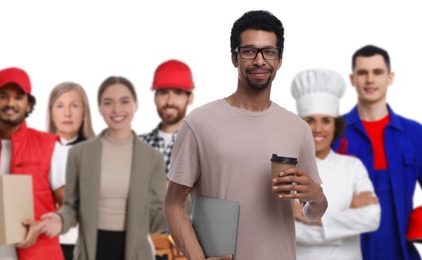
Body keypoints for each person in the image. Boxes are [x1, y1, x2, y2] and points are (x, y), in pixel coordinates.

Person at [164, 10, 328, 260]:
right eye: (250, 51)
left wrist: (316, 196)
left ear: (280, 60)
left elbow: (313, 213)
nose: (260, 61)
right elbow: (173, 204)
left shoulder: (297, 128)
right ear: (234, 57)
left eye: (269, 52)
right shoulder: (199, 123)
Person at [40, 76, 167, 259]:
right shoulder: (80, 154)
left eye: (124, 101)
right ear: (99, 108)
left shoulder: (152, 158)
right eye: (108, 103)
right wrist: (60, 219)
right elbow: (72, 207)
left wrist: (184, 205)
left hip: (135, 253)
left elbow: (154, 219)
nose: (117, 109)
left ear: (135, 105)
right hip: (92, 251)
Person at [333, 44, 422, 259]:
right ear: (353, 79)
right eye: (362, 73)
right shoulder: (333, 133)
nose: (370, 80)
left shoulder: (415, 134)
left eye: (377, 72)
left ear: (390, 77)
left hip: (401, 252)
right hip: (348, 251)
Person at [0, 67, 65, 260]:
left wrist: (41, 226)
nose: (10, 103)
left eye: (18, 97)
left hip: (40, 255)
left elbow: (71, 205)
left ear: (29, 105)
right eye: (3, 96)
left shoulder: (50, 147)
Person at [291, 68, 381, 259]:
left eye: (326, 121)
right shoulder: (289, 169)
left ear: (335, 125)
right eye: (309, 120)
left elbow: (372, 218)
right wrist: (349, 215)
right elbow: (290, 230)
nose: (317, 129)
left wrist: (311, 219)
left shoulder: (353, 166)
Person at [46, 82, 96, 260]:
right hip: (49, 242)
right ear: (51, 112)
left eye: (74, 105)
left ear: (84, 112)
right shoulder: (38, 151)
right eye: (60, 106)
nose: (67, 113)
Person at [139, 59, 194, 176]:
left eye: (178, 93)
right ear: (155, 98)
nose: (169, 101)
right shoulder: (137, 144)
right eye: (164, 93)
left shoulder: (201, 145)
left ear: (190, 98)